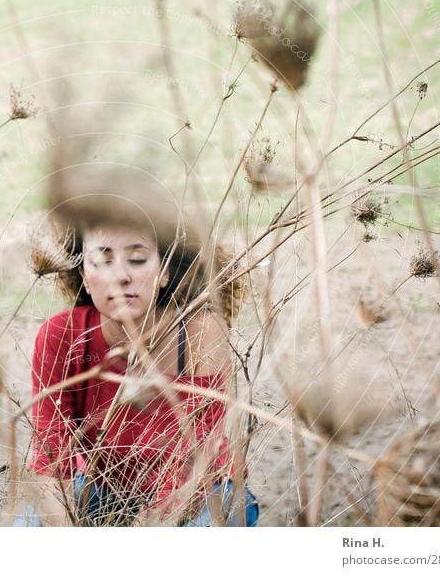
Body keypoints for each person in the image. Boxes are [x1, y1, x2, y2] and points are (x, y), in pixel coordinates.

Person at [16, 206, 259, 527]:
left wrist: (151, 524)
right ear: (84, 277)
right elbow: (51, 455)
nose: (121, 276)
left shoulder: (200, 331)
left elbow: (197, 453)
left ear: (164, 273)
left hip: (204, 490)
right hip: (103, 490)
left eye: (138, 258)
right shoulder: (61, 335)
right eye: (103, 260)